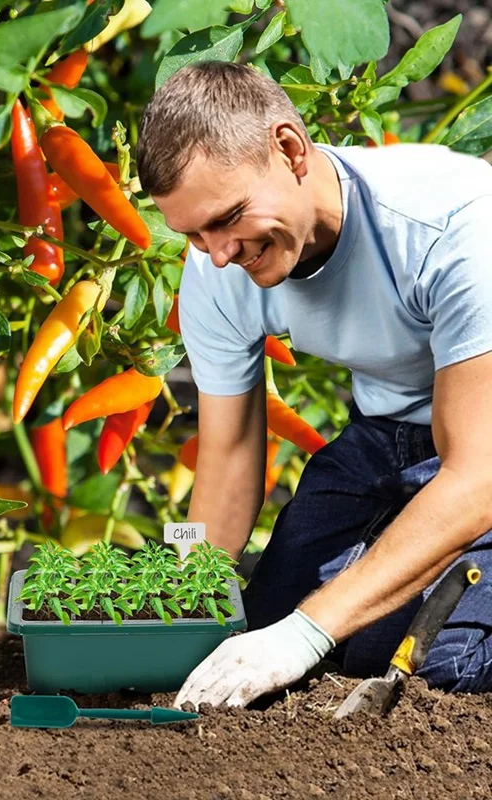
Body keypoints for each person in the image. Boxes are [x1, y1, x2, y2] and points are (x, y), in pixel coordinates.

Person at [136, 61, 492, 710]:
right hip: (382, 439)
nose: (217, 255)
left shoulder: (452, 224)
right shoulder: (217, 264)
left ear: (291, 150)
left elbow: (476, 475)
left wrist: (305, 634)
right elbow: (228, 459)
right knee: (265, 630)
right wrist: (174, 602)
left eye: (229, 217)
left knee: (435, 665)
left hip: (478, 443)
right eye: (193, 234)